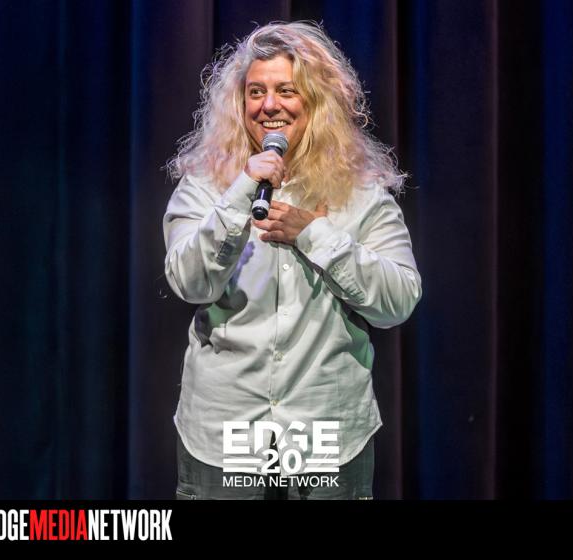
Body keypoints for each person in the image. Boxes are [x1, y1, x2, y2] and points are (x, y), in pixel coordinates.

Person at [163, 21, 422, 500]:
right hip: (227, 423)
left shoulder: (360, 192)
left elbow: (399, 300)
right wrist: (242, 191)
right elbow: (190, 283)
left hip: (323, 422)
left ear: (316, 102)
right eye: (256, 92)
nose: (269, 105)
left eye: (286, 91)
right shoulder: (205, 184)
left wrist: (314, 234)